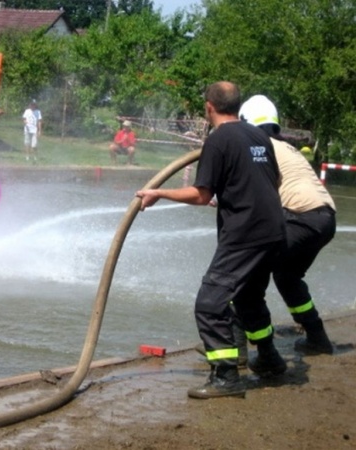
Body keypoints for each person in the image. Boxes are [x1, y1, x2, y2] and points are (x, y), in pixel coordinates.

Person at [136, 81, 287, 399]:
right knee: (248, 299)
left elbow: (201, 195)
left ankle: (226, 376)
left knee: (209, 304)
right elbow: (275, 180)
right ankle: (270, 359)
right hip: (275, 230)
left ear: (209, 107)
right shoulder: (259, 135)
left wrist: (159, 193)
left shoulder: (218, 140)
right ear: (237, 105)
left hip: (245, 233)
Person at [239, 95, 335, 355]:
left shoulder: (258, 147)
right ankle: (316, 336)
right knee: (287, 275)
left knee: (244, 274)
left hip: (300, 217)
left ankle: (249, 351)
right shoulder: (284, 147)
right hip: (325, 219)